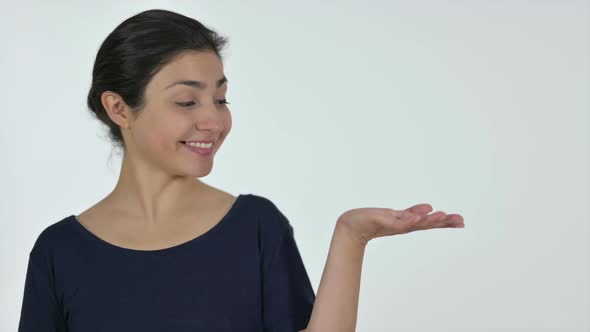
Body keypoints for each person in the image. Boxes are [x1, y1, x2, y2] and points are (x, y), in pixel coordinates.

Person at [17, 8, 465, 332]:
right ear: (119, 108)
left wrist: (352, 237)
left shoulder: (256, 227)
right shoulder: (59, 253)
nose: (213, 120)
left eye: (221, 98)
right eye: (186, 101)